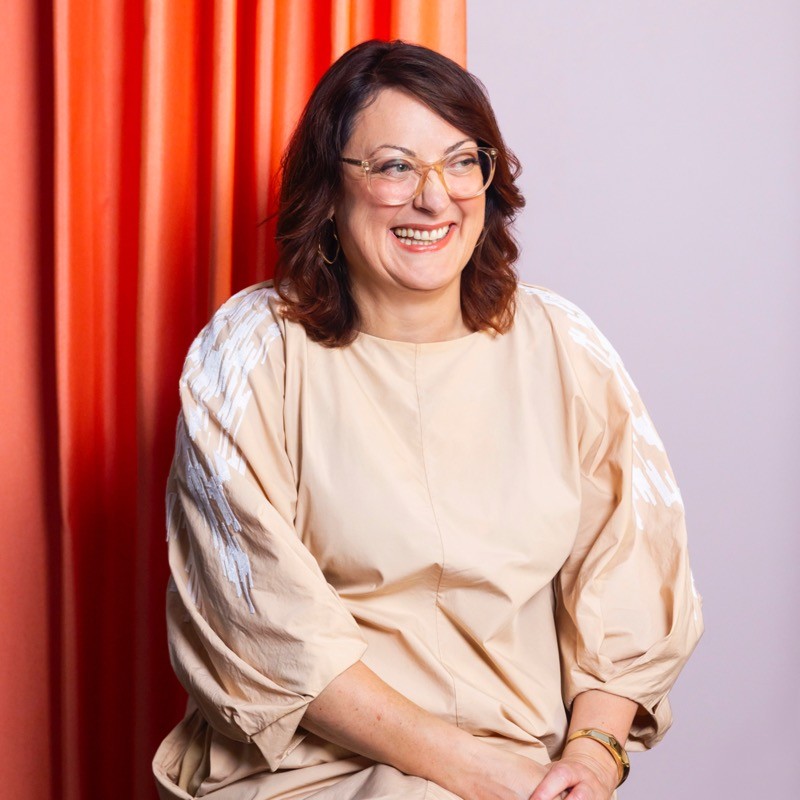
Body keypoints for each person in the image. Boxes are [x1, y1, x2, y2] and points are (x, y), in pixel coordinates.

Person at [153, 39, 703, 800]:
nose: (435, 197)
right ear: (328, 189)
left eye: (460, 161)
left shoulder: (564, 345)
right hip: (310, 773)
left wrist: (590, 759)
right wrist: (478, 774)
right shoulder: (251, 352)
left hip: (530, 771)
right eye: (393, 166)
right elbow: (271, 634)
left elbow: (630, 594)